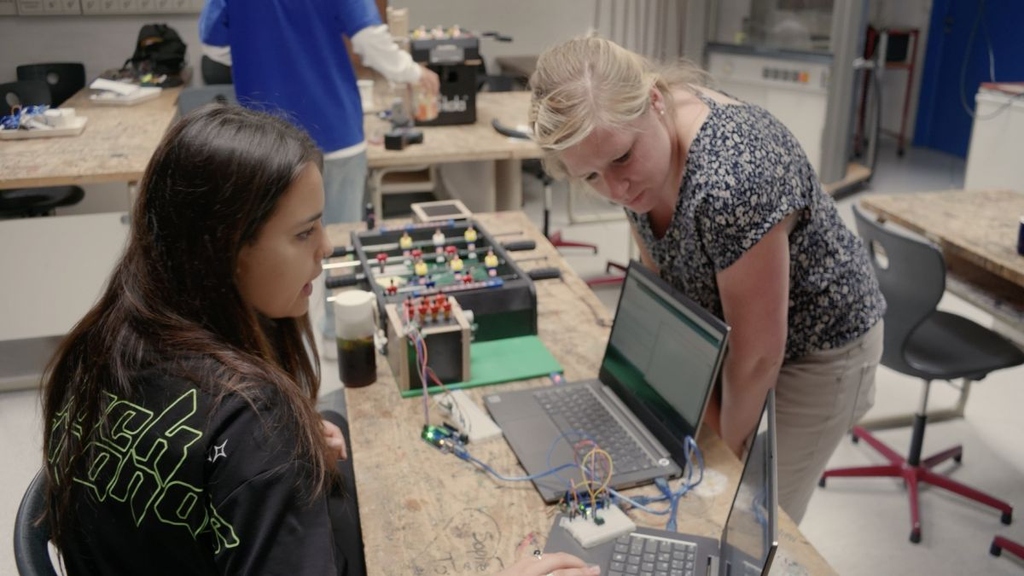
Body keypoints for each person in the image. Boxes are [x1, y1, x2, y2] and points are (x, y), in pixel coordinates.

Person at [40, 104, 596, 576]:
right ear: (224, 250)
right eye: (304, 231)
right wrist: (276, 453)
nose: (326, 248)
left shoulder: (100, 343)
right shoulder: (256, 427)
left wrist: (283, 453)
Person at [528, 36, 886, 525]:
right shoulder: (634, 151)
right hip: (736, 332)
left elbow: (759, 356)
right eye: (589, 176)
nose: (615, 189)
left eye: (621, 159)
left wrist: (726, 449)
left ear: (656, 100)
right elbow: (666, 285)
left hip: (821, 349)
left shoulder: (733, 177)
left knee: (749, 518)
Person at [198, 0, 440, 347]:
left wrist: (267, 54)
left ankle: (272, 347)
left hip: (265, 144)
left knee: (268, 246)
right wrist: (413, 72)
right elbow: (369, 38)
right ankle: (338, 340)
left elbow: (214, 46)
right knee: (337, 245)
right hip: (334, 129)